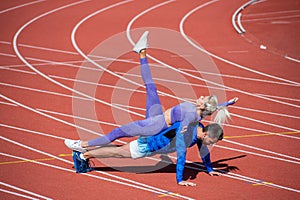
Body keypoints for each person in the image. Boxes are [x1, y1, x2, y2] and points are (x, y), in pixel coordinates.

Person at [65, 31, 238, 152]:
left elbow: (184, 127)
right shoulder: (200, 111)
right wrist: (225, 104)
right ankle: (141, 51)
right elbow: (211, 108)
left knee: (117, 132)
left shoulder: (192, 115)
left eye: (203, 98)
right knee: (151, 86)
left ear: (203, 106)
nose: (200, 97)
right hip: (157, 115)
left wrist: (183, 134)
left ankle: (82, 144)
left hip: (156, 125)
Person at [73, 121, 224, 186]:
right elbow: (181, 158)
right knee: (119, 152)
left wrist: (209, 169)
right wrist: (180, 180)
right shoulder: (187, 136)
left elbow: (203, 151)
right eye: (213, 141)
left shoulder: (198, 127)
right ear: (206, 135)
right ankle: (83, 155)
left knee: (119, 150)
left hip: (151, 138)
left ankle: (85, 154)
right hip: (148, 145)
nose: (212, 144)